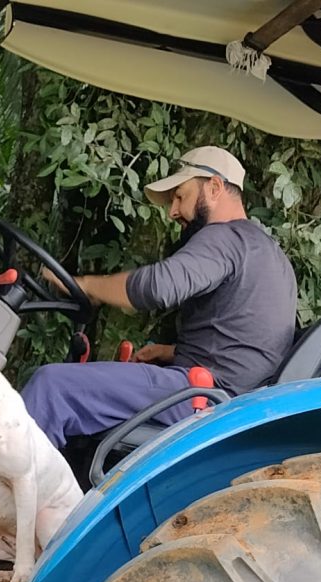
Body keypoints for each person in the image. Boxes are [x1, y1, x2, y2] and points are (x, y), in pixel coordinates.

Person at [21, 145, 298, 449]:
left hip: (203, 397)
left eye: (180, 196)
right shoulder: (272, 256)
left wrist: (87, 285)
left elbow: (158, 287)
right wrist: (170, 351)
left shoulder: (224, 237)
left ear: (215, 187)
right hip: (228, 399)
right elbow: (243, 339)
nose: (173, 211)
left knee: (52, 387)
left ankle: (5, 481)